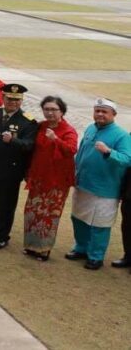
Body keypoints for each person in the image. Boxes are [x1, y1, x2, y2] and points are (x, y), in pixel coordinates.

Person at [66, 98, 131, 270]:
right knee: (78, 218)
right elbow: (80, 153)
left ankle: (96, 256)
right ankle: (81, 248)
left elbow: (127, 159)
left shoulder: (121, 135)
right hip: (83, 183)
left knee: (100, 224)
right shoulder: (90, 128)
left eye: (104, 112)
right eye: (98, 111)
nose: (100, 114)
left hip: (105, 189)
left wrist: (109, 152)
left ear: (113, 115)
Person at [0, 84, 38, 249]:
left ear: (21, 101)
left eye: (17, 100)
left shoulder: (28, 121)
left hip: (10, 170)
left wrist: (13, 140)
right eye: (9, 99)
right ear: (3, 98)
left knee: (6, 204)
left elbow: (29, 145)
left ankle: (2, 235)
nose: (13, 103)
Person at [22, 95, 78, 261]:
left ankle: (44, 248)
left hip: (57, 180)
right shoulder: (40, 126)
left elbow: (71, 149)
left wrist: (56, 139)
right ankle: (31, 245)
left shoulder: (68, 131)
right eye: (46, 109)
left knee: (48, 214)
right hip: (38, 176)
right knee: (32, 211)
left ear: (61, 111)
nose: (50, 113)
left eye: (54, 109)